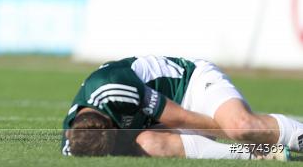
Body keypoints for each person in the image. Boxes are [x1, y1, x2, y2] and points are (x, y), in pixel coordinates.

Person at [62, 55, 302, 159]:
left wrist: (231, 133)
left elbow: (180, 117)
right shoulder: (75, 143)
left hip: (189, 86)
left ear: (111, 123)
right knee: (149, 145)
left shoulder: (113, 86)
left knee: (241, 127)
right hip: (160, 122)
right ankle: (260, 155)